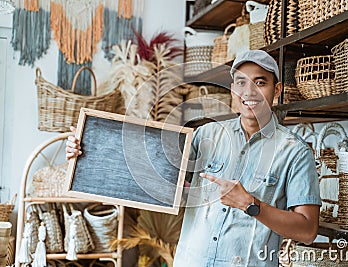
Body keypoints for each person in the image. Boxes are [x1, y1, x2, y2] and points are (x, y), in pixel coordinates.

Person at [66, 50, 321, 267]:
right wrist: (86, 153)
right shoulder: (204, 135)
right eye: (241, 82)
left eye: (260, 82)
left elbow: (307, 231)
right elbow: (153, 179)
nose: (249, 91)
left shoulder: (295, 152)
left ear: (276, 89)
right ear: (232, 89)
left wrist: (250, 204)